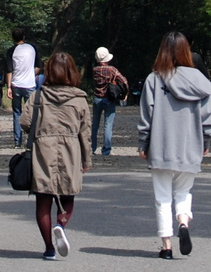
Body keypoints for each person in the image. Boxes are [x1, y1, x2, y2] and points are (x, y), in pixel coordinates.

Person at [138, 31, 211, 259]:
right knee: (183, 191)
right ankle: (183, 222)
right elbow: (208, 116)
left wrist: (143, 142)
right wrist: (207, 139)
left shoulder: (154, 79)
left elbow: (147, 115)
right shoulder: (201, 82)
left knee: (162, 197)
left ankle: (166, 246)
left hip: (162, 146)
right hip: (190, 145)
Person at [20, 52, 92, 260]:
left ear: (48, 70)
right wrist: (86, 160)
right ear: (72, 71)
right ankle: (60, 225)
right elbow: (85, 133)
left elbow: (25, 122)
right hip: (71, 149)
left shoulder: (38, 96)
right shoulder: (79, 99)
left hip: (43, 148)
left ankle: (49, 248)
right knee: (68, 195)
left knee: (43, 198)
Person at [7, 28, 42, 148]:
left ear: (13, 38)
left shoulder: (11, 51)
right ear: (24, 37)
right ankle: (31, 138)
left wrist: (8, 87)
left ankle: (17, 141)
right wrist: (31, 75)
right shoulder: (32, 48)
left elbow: (9, 70)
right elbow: (38, 66)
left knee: (17, 113)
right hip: (30, 85)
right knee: (32, 112)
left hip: (16, 85)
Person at [90, 47, 127, 157]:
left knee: (95, 124)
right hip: (109, 98)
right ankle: (106, 150)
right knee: (108, 125)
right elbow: (124, 80)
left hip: (97, 98)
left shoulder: (94, 70)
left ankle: (92, 147)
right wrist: (124, 93)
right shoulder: (112, 70)